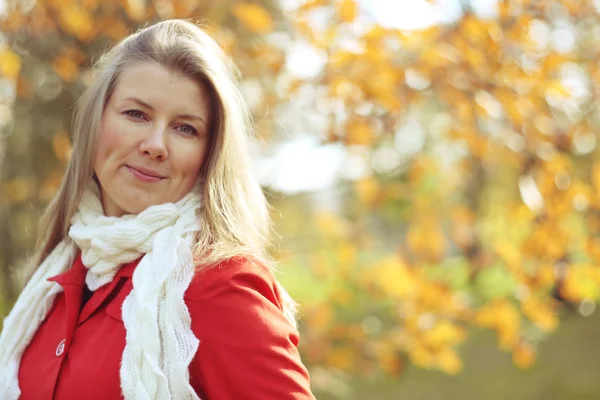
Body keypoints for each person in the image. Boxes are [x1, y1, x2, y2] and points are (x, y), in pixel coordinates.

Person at [0, 19, 315, 399]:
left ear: (209, 154)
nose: (155, 144)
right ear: (94, 123)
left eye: (186, 129)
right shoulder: (59, 275)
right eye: (136, 114)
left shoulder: (218, 284)